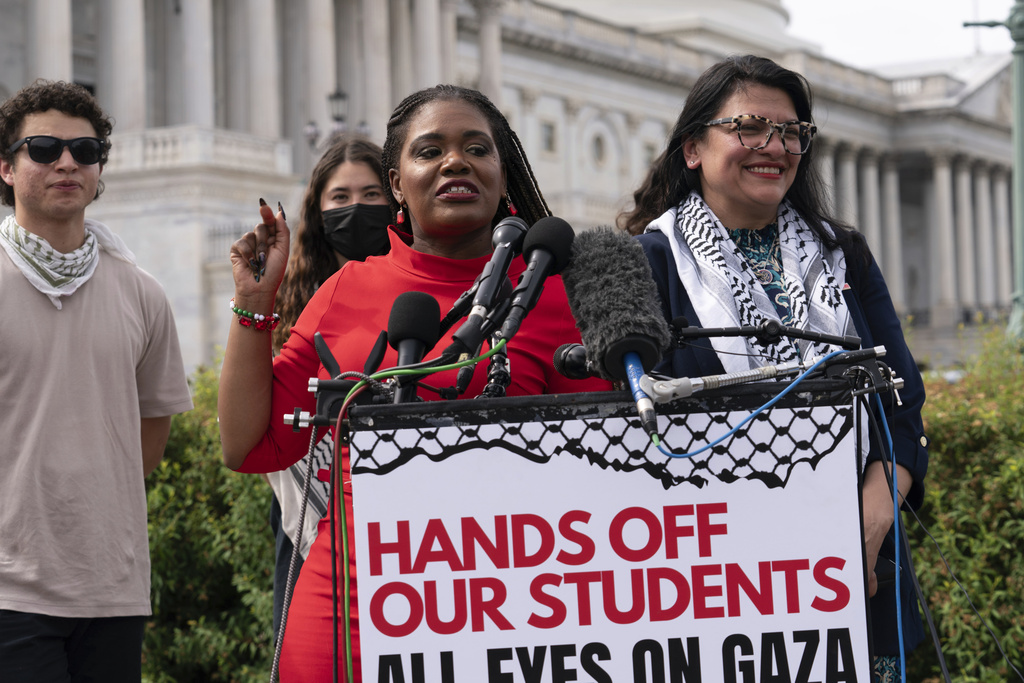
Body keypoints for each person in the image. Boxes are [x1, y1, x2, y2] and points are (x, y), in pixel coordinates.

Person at [218, 84, 611, 681]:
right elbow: (249, 445)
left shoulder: (558, 299)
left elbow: (608, 474)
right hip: (347, 615)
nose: (456, 161)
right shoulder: (347, 289)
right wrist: (254, 305)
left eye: (477, 148)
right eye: (430, 151)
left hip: (512, 616)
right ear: (398, 184)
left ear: (503, 176)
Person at [620, 55, 929, 680]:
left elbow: (903, 399)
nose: (775, 146)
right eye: (750, 127)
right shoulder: (643, 265)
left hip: (858, 570)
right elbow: (625, 432)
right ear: (692, 150)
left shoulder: (844, 255)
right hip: (713, 584)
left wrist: (879, 501)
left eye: (791, 132)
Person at [0, 80, 193, 681]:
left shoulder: (143, 292)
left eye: (85, 151)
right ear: (5, 167)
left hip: (112, 588)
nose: (66, 162)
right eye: (43, 148)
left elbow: (150, 432)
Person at [266, 134, 391, 638]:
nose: (356, 208)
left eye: (371, 194)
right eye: (340, 198)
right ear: (319, 212)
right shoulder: (294, 305)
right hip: (305, 520)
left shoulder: (421, 295)